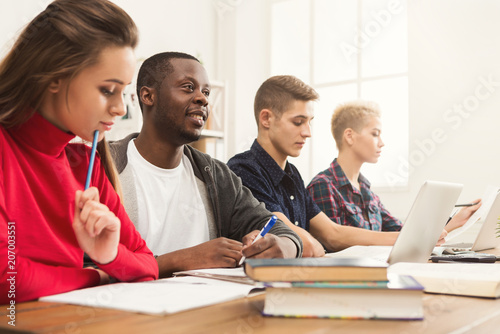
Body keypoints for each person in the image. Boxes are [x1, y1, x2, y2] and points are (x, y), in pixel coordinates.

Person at [0, 0, 158, 304]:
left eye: (124, 91)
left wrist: (108, 255)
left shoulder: (86, 165)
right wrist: (95, 275)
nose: (120, 108)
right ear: (55, 77)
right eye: (107, 90)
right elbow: (8, 280)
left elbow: (147, 265)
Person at [227, 75, 478, 257]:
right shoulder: (244, 169)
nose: (308, 132)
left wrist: (429, 233)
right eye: (298, 122)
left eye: (310, 122)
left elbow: (333, 233)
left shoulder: (292, 175)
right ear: (266, 118)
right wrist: (310, 244)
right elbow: (301, 235)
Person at [109, 52, 302, 278]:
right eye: (188, 87)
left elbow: (273, 226)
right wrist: (182, 259)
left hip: (207, 308)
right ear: (148, 96)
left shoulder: (215, 174)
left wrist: (286, 245)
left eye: (206, 92)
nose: (203, 98)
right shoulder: (107, 166)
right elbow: (91, 266)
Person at [307, 100, 481, 232]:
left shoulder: (367, 192)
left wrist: (455, 221)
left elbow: (402, 232)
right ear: (350, 136)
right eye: (375, 134)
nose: (381, 143)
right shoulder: (323, 186)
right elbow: (335, 243)